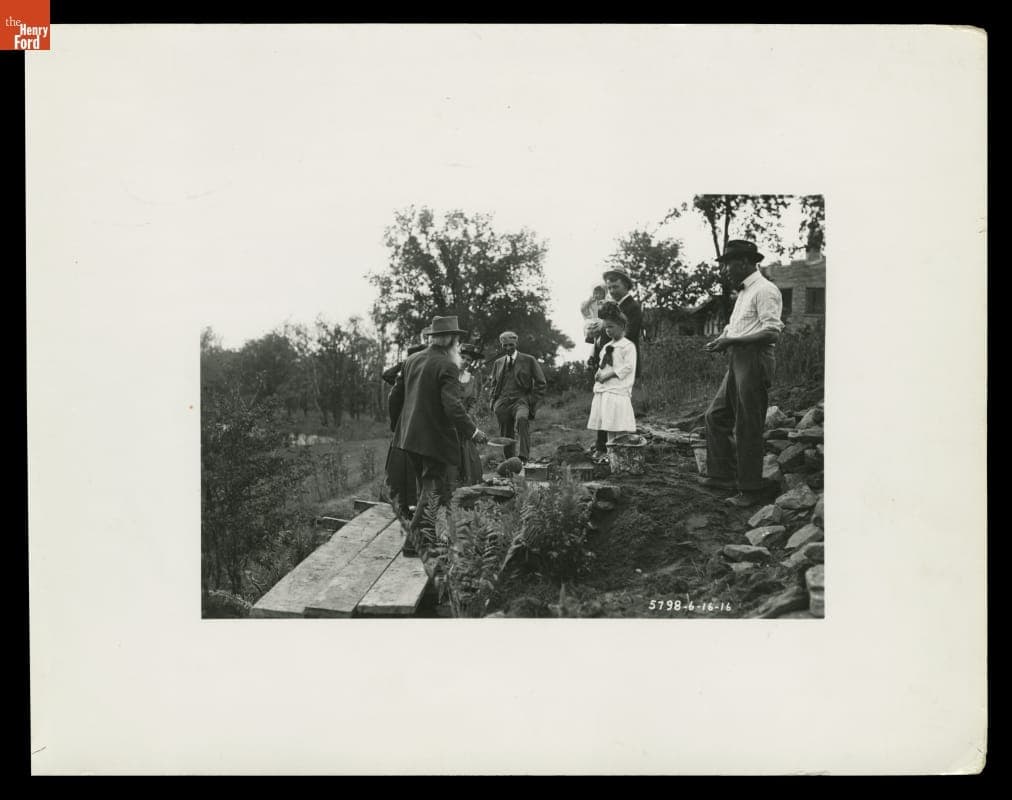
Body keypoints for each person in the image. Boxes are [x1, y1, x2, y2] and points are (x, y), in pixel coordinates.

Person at [390, 316, 488, 556]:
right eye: (457, 340)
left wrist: (398, 426)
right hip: (432, 439)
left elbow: (394, 397)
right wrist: (473, 431)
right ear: (452, 341)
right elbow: (453, 406)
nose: (458, 345)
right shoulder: (447, 366)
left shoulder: (412, 359)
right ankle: (413, 543)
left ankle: (427, 537)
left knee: (426, 487)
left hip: (408, 436)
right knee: (433, 488)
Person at [698, 240, 785, 508]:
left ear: (746, 262)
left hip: (755, 359)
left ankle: (751, 488)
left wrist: (733, 341)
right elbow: (736, 326)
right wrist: (723, 338)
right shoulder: (744, 292)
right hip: (738, 358)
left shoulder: (765, 290)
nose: (724, 270)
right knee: (716, 415)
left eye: (728, 264)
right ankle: (722, 475)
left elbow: (772, 332)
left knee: (748, 424)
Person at [381, 335, 429, 519]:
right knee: (402, 465)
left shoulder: (419, 375)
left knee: (413, 465)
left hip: (413, 423)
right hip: (406, 422)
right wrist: (404, 364)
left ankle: (412, 504)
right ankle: (405, 504)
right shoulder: (406, 375)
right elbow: (387, 378)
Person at [487, 331, 547, 464]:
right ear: (502, 345)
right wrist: (494, 402)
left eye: (511, 345)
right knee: (505, 432)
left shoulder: (529, 360)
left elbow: (541, 383)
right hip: (502, 402)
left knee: (522, 419)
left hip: (521, 400)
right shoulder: (498, 363)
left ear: (516, 344)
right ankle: (510, 461)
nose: (508, 348)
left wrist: (530, 400)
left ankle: (523, 457)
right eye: (505, 345)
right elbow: (493, 384)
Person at [587, 312, 638, 446]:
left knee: (619, 425)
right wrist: (598, 374)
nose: (608, 330)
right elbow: (603, 365)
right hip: (606, 390)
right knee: (609, 425)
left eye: (611, 326)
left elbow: (628, 367)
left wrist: (608, 375)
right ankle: (611, 452)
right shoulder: (606, 347)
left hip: (618, 390)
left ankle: (622, 451)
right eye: (606, 328)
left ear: (622, 326)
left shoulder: (627, 346)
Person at [589, 267, 643, 379]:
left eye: (615, 287)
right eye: (609, 288)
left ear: (626, 286)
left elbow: (628, 335)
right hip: (607, 365)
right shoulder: (611, 307)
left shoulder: (633, 307)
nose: (612, 291)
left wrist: (603, 328)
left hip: (624, 366)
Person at [453, 343, 485, 486]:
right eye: (463, 357)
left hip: (464, 423)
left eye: (469, 360)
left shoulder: (471, 379)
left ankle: (467, 486)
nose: (465, 361)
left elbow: (473, 402)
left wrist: (468, 418)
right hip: (447, 423)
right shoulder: (447, 374)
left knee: (469, 457)